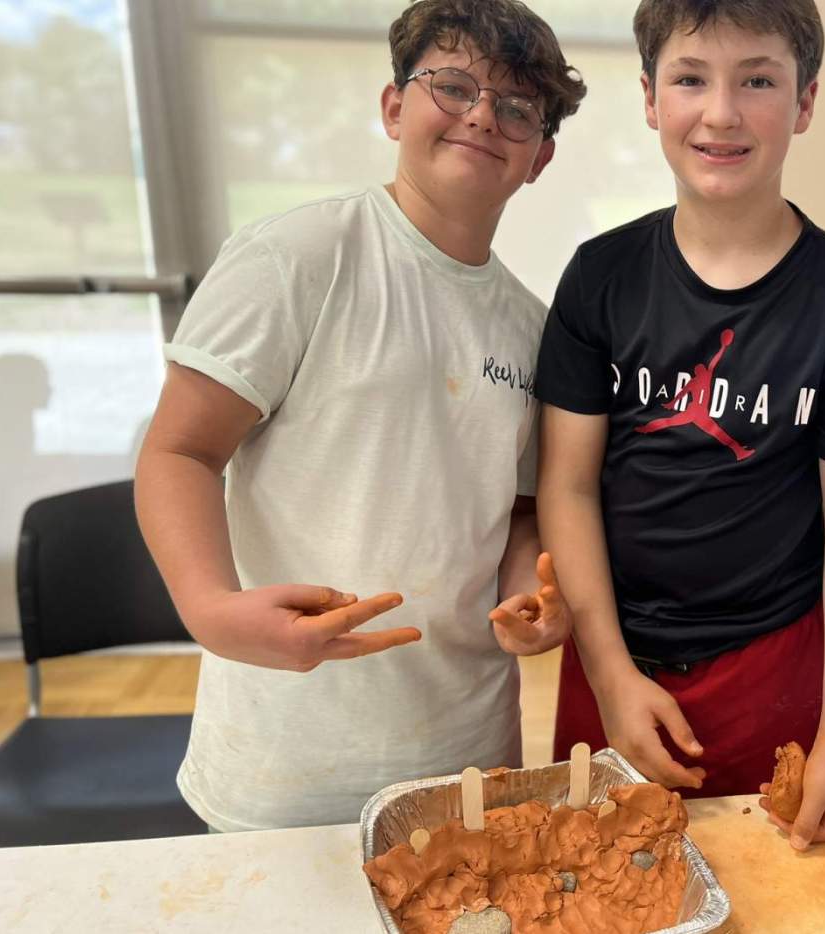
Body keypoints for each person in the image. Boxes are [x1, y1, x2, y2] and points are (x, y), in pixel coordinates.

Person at [134, 0, 585, 831]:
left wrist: (531, 592)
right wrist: (208, 607)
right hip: (284, 759)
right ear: (393, 107)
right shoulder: (298, 256)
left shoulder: (534, 327)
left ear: (539, 158)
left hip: (466, 757)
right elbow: (179, 454)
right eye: (452, 86)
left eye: (517, 107)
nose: (483, 115)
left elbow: (518, 512)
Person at [533, 0, 825, 851]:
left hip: (773, 667)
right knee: (599, 883)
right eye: (691, 79)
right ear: (650, 96)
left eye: (758, 81)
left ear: (805, 102)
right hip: (609, 658)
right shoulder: (601, 277)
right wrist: (611, 671)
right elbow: (567, 483)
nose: (722, 112)